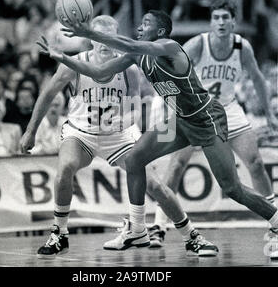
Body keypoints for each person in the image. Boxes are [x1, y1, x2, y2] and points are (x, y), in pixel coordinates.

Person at [49, 8, 278, 259]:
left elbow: (125, 43)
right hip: (179, 119)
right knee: (135, 158)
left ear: (159, 31)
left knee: (233, 188)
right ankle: (138, 228)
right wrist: (62, 57)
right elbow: (100, 72)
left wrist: (90, 32)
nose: (139, 26)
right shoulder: (137, 56)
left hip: (206, 118)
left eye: (145, 23)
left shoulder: (170, 47)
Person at [21, 15, 219, 259]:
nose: (104, 45)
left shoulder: (129, 69)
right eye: (100, 39)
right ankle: (59, 233)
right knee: (66, 168)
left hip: (118, 135)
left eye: (109, 39)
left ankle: (192, 236)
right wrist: (30, 130)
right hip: (81, 132)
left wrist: (125, 120)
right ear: (91, 41)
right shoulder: (74, 64)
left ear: (115, 40)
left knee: (155, 185)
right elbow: (48, 94)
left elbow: (135, 107)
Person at [149, 0, 278, 247]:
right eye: (216, 18)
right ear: (210, 22)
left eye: (225, 18)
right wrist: (168, 109)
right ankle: (159, 225)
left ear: (233, 22)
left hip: (227, 108)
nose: (220, 22)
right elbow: (168, 72)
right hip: (195, 109)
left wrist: (270, 115)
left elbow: (259, 79)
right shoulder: (198, 44)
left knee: (255, 161)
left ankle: (274, 222)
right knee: (177, 165)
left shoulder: (242, 47)